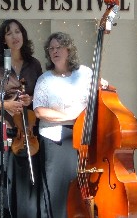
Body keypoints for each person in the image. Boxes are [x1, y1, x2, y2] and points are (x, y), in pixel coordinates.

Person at [0, 19, 43, 218]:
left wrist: (30, 99)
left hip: (26, 132)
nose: (15, 36)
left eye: (18, 32)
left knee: (24, 184)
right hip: (1, 127)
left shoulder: (33, 64)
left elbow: (41, 95)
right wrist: (6, 105)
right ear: (3, 40)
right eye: (9, 33)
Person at [33, 32, 92, 218]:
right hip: (55, 139)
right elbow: (39, 111)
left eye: (59, 47)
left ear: (68, 49)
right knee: (57, 189)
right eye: (51, 48)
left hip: (84, 136)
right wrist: (70, 116)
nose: (55, 51)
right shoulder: (44, 80)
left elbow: (98, 99)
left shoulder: (85, 73)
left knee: (81, 189)